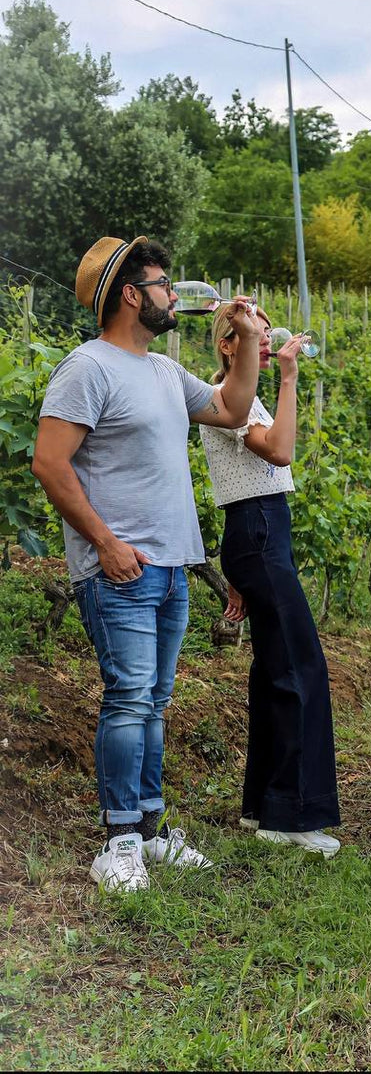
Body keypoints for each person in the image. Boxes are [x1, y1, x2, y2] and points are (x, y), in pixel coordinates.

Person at [33, 236, 261, 892]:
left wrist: (248, 340)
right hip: (119, 570)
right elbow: (49, 462)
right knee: (130, 698)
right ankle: (120, 842)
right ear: (132, 295)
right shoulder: (87, 368)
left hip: (169, 567)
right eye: (164, 284)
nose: (173, 295)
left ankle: (151, 832)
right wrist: (104, 543)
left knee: (154, 702)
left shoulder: (163, 371)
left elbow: (232, 409)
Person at [199, 306, 341, 858]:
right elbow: (280, 452)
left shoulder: (236, 397)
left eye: (265, 329)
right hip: (257, 528)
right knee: (300, 670)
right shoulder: (230, 397)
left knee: (275, 670)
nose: (265, 338)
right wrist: (288, 376)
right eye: (252, 333)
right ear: (228, 345)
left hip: (256, 531)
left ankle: (263, 804)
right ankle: (291, 815)